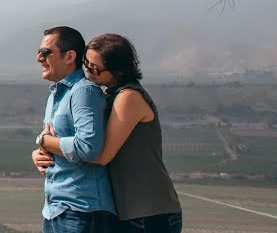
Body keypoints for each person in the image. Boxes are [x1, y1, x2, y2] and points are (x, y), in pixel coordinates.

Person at [36, 33, 183, 233]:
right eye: (86, 63)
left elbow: (98, 153)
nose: (87, 71)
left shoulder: (128, 97)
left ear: (118, 71)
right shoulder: (108, 96)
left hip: (148, 212)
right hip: (128, 210)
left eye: (95, 68)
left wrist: (47, 142)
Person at [31, 26, 116, 233]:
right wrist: (40, 153)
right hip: (56, 210)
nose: (38, 58)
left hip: (83, 212)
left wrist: (44, 141)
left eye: (45, 52)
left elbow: (88, 147)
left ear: (69, 56)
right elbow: (56, 143)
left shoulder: (84, 92)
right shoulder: (55, 96)